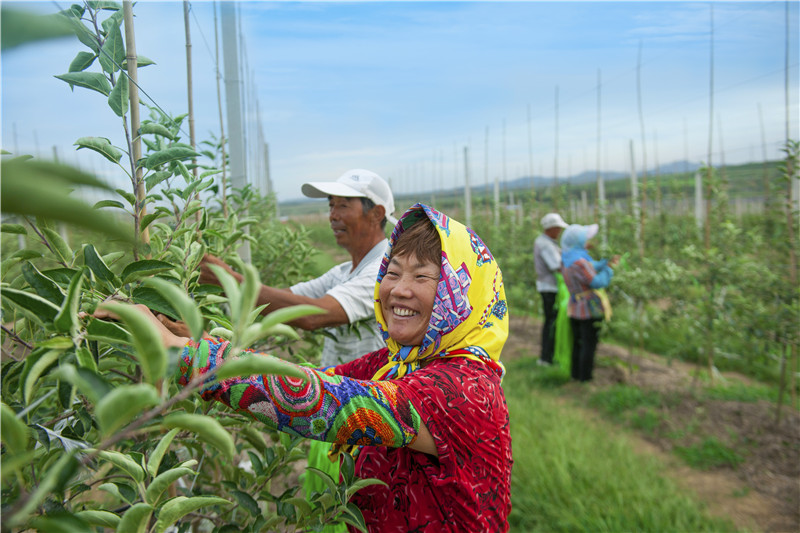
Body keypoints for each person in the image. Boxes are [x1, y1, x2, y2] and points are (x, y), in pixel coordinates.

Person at [111, 204, 512, 532]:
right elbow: (311, 380)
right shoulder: (397, 364)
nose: (398, 289)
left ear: (460, 294)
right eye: (392, 273)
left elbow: (331, 405)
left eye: (422, 277)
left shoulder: (465, 388)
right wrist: (195, 341)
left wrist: (183, 355)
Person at [198, 168, 395, 368]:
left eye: (343, 206)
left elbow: (314, 315)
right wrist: (226, 287)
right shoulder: (343, 272)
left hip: (365, 387)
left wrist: (230, 281)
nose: (333, 216)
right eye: (331, 206)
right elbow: (283, 299)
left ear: (376, 214)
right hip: (337, 383)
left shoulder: (384, 273)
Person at [560, 223, 619, 382]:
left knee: (578, 342)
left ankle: (575, 375)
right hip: (589, 308)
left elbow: (591, 267)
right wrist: (609, 269)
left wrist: (604, 262)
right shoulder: (580, 262)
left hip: (574, 306)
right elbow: (597, 282)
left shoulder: (567, 259)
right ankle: (585, 378)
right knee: (589, 343)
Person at [533, 212, 568, 366]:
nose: (559, 231)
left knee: (551, 321)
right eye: (558, 228)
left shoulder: (546, 242)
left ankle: (548, 356)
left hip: (548, 286)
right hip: (550, 288)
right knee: (551, 322)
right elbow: (556, 265)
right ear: (551, 228)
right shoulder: (545, 244)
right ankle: (546, 357)